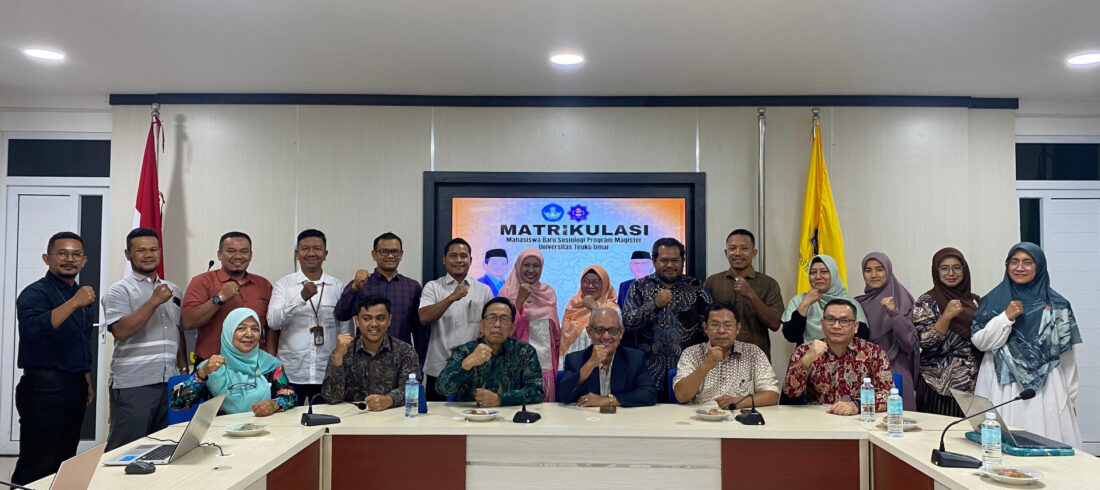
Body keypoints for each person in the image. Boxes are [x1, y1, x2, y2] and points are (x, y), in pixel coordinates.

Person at [972, 242, 1083, 448]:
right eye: (1014, 262)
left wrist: (1071, 397)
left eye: (1027, 262)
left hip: (1047, 387)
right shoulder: (992, 300)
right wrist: (1005, 317)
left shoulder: (1058, 305)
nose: (1019, 268)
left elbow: (1066, 357)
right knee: (998, 446)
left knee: (1046, 439)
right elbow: (981, 343)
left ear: (1039, 266)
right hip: (1002, 385)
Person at [11, 232, 97, 485]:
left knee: (65, 457)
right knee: (37, 460)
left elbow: (82, 339)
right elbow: (32, 330)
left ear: (84, 260)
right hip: (43, 386)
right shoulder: (35, 293)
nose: (70, 259)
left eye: (76, 254)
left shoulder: (82, 294)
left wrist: (86, 379)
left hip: (75, 384)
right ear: (46, 258)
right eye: (62, 253)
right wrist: (74, 303)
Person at [102, 228, 188, 450]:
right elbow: (120, 331)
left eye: (153, 249)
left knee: (162, 447)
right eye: (141, 250)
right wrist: (153, 301)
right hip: (134, 384)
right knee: (125, 450)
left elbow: (177, 332)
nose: (148, 255)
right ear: (128, 254)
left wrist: (183, 370)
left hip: (169, 382)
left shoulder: (173, 289)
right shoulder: (119, 291)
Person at [267, 229, 353, 406]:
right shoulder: (284, 285)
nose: (311, 253)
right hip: (291, 372)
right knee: (287, 419)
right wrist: (300, 298)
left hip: (326, 371)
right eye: (305, 248)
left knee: (326, 419)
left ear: (325, 254)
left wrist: (342, 365)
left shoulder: (337, 286)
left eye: (317, 248)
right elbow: (273, 322)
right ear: (297, 253)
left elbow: (346, 331)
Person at [622, 237, 711, 402]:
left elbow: (709, 328)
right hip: (646, 374)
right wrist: (653, 304)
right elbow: (627, 323)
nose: (670, 265)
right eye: (664, 260)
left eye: (675, 260)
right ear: (654, 261)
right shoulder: (638, 287)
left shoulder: (697, 288)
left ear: (683, 261)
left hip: (687, 373)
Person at [170, 308, 296, 415]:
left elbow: (289, 396)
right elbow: (176, 403)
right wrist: (201, 374)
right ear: (228, 333)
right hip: (221, 433)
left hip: (265, 430)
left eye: (255, 329)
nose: (249, 334)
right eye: (241, 328)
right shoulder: (211, 368)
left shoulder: (271, 364)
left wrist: (275, 404)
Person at [783, 299, 893, 415]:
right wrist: (806, 361)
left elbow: (888, 395)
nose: (836, 326)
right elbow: (790, 393)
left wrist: (857, 405)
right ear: (822, 324)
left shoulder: (873, 352)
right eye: (830, 320)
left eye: (844, 321)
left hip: (857, 418)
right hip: (819, 418)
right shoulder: (804, 351)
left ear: (855, 326)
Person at [182, 231, 274, 364]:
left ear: (250, 255)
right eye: (231, 251)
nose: (238, 256)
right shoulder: (202, 281)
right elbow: (188, 322)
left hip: (256, 366)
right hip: (213, 366)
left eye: (244, 251)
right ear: (219, 254)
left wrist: (270, 358)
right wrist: (219, 298)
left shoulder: (263, 285)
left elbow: (271, 327)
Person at [334, 232, 425, 364]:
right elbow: (341, 315)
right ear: (374, 254)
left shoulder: (412, 287)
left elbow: (419, 329)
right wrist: (354, 288)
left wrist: (420, 360)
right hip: (365, 361)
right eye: (384, 252)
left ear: (401, 254)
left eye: (395, 252)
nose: (390, 256)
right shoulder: (361, 284)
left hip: (402, 360)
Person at [418, 238, 492, 401]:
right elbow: (424, 317)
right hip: (439, 368)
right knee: (437, 416)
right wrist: (451, 297)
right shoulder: (433, 287)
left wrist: (466, 354)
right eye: (453, 255)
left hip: (473, 369)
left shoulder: (484, 290)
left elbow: (490, 328)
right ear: (444, 259)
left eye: (463, 256)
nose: (459, 260)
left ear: (470, 260)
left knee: (471, 414)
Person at [436, 297, 544, 406]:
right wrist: (467, 363)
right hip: (469, 414)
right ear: (482, 324)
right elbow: (442, 389)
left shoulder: (525, 352)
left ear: (512, 328)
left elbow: (537, 392)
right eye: (492, 317)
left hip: (509, 414)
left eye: (504, 319)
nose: (497, 324)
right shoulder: (465, 351)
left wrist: (500, 399)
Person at [912, 247, 981, 417]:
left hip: (973, 383)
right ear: (936, 272)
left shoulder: (975, 302)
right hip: (937, 385)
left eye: (957, 267)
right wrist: (946, 317)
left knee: (967, 432)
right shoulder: (927, 301)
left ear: (964, 270)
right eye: (944, 268)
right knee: (938, 432)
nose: (951, 273)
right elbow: (924, 342)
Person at [323, 294, 420, 410]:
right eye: (367, 319)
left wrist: (390, 400)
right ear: (357, 321)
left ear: (389, 320)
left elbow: (413, 389)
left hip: (392, 416)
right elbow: (331, 398)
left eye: (380, 318)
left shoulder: (405, 351)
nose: (374, 324)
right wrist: (337, 358)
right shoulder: (343, 351)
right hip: (352, 416)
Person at [673, 302, 780, 408]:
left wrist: (739, 402)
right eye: (714, 325)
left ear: (737, 328)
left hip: (741, 414)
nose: (721, 331)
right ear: (705, 328)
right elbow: (681, 396)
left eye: (728, 325)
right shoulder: (691, 353)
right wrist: (705, 366)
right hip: (701, 415)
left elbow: (772, 394)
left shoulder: (753, 353)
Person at [704, 229, 784, 360]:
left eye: (744, 248)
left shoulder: (768, 284)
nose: (737, 253)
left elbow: (775, 324)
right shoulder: (712, 282)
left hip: (756, 357)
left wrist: (751, 295)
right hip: (719, 357)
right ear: (726, 253)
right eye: (732, 248)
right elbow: (704, 322)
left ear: (754, 253)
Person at [855, 252, 918, 410]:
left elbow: (909, 344)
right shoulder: (857, 304)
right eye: (868, 270)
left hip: (896, 370)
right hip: (865, 373)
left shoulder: (902, 300)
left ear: (888, 271)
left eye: (879, 269)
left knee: (899, 420)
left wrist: (894, 312)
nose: (874, 275)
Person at [558, 308, 657, 408]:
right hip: (587, 416)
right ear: (589, 332)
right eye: (600, 330)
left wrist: (608, 400)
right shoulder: (575, 360)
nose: (606, 336)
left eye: (612, 331)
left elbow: (649, 394)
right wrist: (590, 364)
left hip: (622, 416)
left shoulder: (635, 359)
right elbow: (563, 396)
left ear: (621, 333)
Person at [499, 248, 561, 402]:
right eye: (526, 265)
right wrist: (519, 301)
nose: (531, 270)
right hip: (517, 367)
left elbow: (555, 333)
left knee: (547, 412)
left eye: (536, 266)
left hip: (546, 365)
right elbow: (502, 332)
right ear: (518, 266)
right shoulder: (507, 293)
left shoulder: (548, 293)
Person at [781, 254, 869, 345]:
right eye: (813, 272)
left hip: (844, 353)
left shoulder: (850, 303)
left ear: (833, 274)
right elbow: (791, 336)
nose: (818, 276)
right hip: (808, 352)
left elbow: (862, 337)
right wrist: (805, 304)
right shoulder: (799, 300)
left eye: (824, 271)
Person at [561, 265, 619, 360]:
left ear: (605, 284)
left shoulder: (612, 309)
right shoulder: (574, 304)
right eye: (586, 281)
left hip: (597, 359)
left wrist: (594, 308)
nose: (590, 286)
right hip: (569, 359)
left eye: (596, 281)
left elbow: (609, 333)